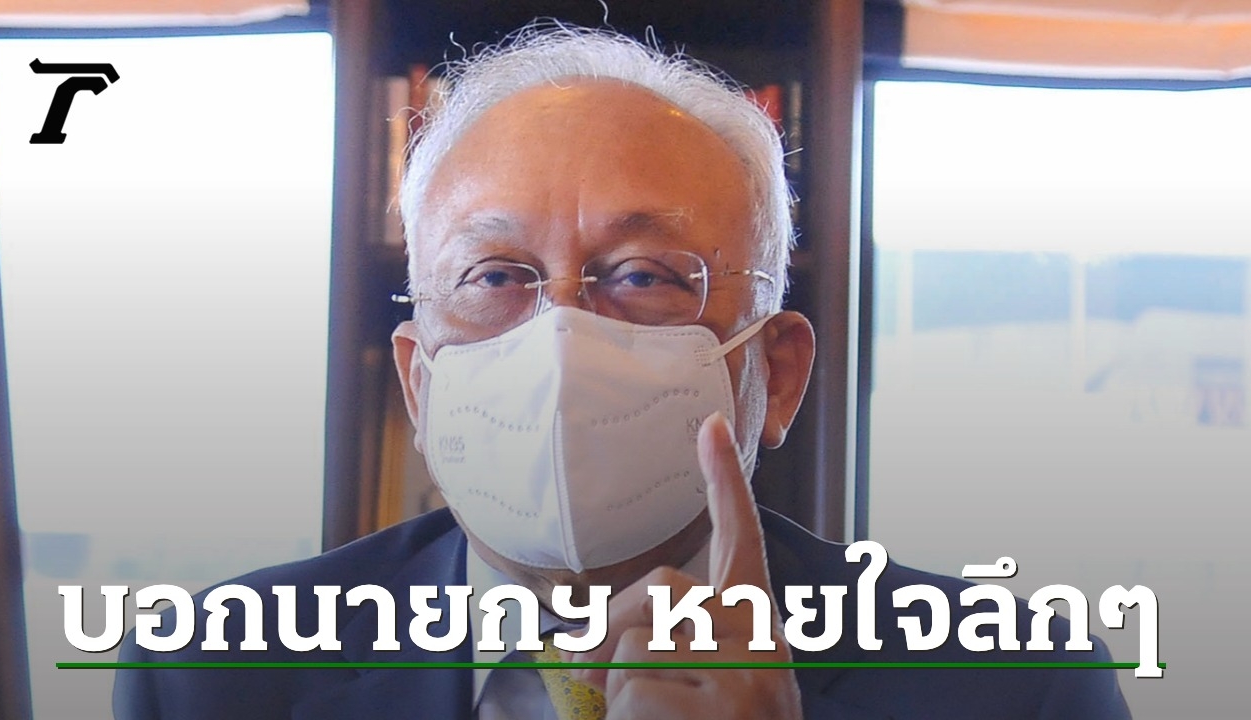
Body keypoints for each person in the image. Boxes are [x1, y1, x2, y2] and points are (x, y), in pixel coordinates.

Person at [114, 23, 1132, 719]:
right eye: (495, 275)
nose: (560, 337)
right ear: (419, 383)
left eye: (642, 275)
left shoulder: (1011, 684)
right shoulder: (210, 675)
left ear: (775, 373)